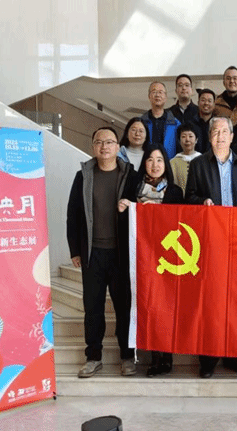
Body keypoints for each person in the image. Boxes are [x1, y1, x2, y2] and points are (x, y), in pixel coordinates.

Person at [184, 116, 237, 378]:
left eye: (225, 131)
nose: (220, 136)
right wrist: (202, 202)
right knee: (211, 301)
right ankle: (209, 358)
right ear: (209, 136)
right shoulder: (198, 164)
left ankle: (234, 355)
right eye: (215, 131)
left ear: (232, 136)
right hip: (210, 243)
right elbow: (188, 198)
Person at [67, 127, 140, 378]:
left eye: (109, 142)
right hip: (92, 254)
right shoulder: (83, 176)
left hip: (122, 255)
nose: (104, 146)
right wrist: (75, 250)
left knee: (124, 307)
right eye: (99, 142)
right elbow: (73, 214)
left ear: (118, 147)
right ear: (93, 147)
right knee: (93, 308)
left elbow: (142, 209)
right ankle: (93, 357)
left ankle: (127, 357)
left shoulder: (130, 176)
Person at [117, 146, 183, 377]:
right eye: (150, 160)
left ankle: (167, 357)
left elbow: (181, 223)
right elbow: (124, 225)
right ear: (144, 163)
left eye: (159, 160)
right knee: (148, 306)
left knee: (166, 307)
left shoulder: (175, 192)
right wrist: (124, 209)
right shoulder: (133, 189)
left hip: (167, 259)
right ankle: (154, 358)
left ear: (166, 164)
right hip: (142, 258)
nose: (155, 165)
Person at [141, 82, 181, 159]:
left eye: (160, 92)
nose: (157, 95)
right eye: (154, 92)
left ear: (165, 97)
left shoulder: (176, 124)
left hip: (169, 163)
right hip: (147, 163)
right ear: (149, 96)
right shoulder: (141, 122)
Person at [170, 123, 202, 189]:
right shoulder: (173, 162)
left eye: (190, 136)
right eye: (183, 136)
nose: (187, 140)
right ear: (179, 140)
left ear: (196, 140)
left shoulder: (203, 161)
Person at [195, 88, 215, 153]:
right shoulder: (190, 124)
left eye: (209, 101)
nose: (206, 103)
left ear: (214, 104)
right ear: (198, 103)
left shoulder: (218, 124)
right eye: (203, 100)